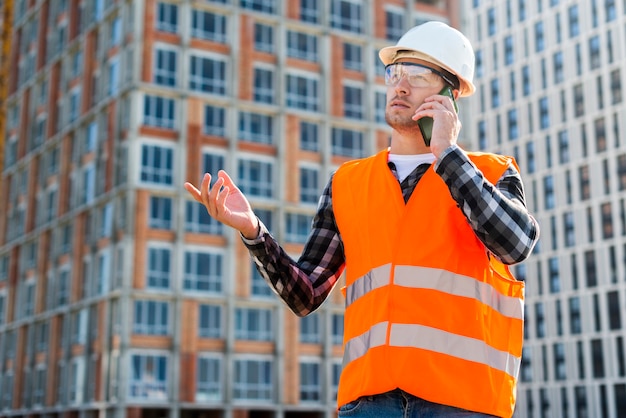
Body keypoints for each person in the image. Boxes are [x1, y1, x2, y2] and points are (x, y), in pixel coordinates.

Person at [184, 21, 539, 418]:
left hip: (463, 403)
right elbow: (306, 294)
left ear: (450, 94)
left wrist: (448, 153)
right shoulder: (348, 183)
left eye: (418, 75)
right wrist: (252, 230)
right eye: (395, 73)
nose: (401, 86)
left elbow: (517, 244)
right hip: (369, 403)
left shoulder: (490, 172)